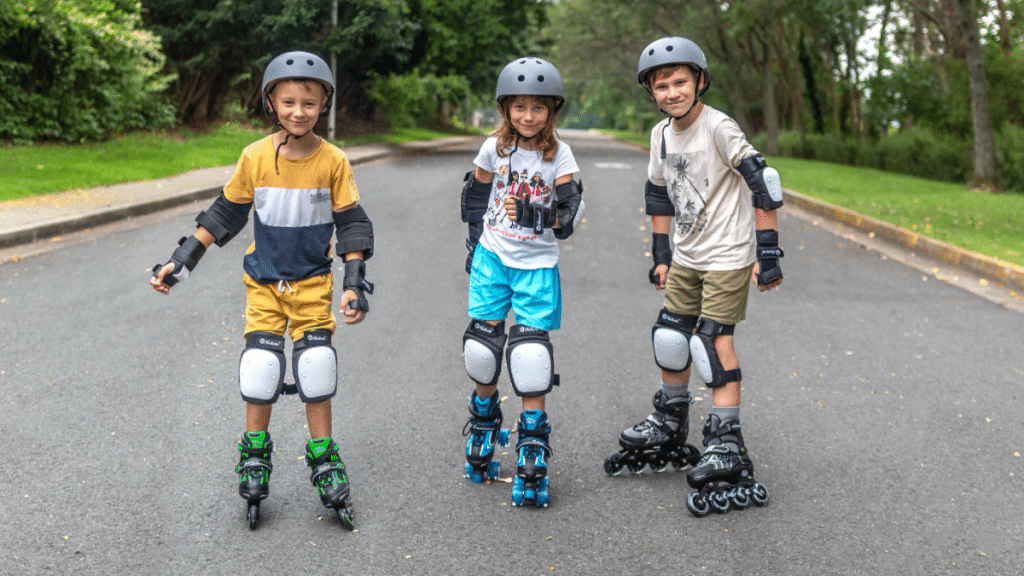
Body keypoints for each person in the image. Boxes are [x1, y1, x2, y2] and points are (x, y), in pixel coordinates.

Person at [149, 51, 374, 530]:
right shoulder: (254, 157)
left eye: (309, 103)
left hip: (313, 284)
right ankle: (254, 453)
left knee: (315, 367)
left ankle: (323, 454)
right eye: (288, 101)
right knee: (261, 369)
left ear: (323, 105)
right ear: (271, 101)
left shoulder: (333, 161)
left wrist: (354, 282)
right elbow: (224, 214)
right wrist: (181, 261)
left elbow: (352, 223)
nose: (298, 111)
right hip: (265, 285)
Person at [603, 37, 784, 517]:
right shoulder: (660, 134)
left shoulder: (719, 127)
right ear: (651, 92)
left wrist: (768, 254)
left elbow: (762, 181)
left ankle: (726, 441)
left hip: (727, 255)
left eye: (680, 81)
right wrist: (661, 252)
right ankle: (669, 419)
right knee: (670, 338)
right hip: (686, 256)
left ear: (700, 81)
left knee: (711, 344)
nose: (671, 92)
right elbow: (659, 192)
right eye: (660, 85)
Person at [459, 57, 584, 508]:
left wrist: (538, 214)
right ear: (505, 108)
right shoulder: (494, 147)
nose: (527, 116)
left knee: (530, 354)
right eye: (518, 107)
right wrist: (475, 243)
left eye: (537, 108)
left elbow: (569, 217)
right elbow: (475, 194)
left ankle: (532, 440)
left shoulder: (560, 154)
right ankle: (484, 419)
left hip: (537, 266)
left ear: (552, 111)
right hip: (493, 258)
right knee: (482, 347)